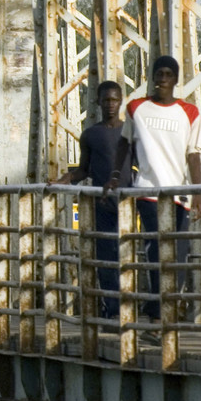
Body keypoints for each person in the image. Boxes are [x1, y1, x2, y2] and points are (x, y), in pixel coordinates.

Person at [108, 55, 201, 319]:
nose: (162, 79)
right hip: (148, 191)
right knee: (155, 251)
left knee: (179, 255)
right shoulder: (136, 108)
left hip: (179, 194)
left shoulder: (190, 112)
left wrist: (197, 191)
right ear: (152, 77)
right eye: (158, 74)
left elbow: (194, 154)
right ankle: (158, 312)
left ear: (175, 79)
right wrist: (116, 175)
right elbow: (124, 144)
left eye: (167, 75)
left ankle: (163, 306)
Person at [67, 80, 124, 318]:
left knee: (128, 256)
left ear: (121, 101)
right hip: (101, 204)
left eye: (114, 100)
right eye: (106, 100)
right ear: (98, 102)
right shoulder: (90, 134)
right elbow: (84, 169)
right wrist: (63, 180)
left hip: (128, 202)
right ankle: (112, 308)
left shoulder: (129, 131)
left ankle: (130, 304)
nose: (110, 105)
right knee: (105, 257)